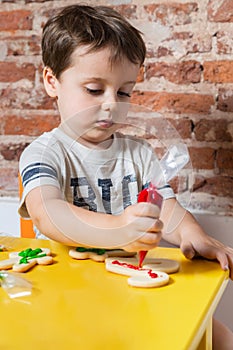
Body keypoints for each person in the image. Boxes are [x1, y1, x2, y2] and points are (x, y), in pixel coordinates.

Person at [18, 4, 233, 348]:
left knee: (217, 336)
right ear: (51, 82)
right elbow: (48, 214)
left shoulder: (139, 154)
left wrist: (194, 235)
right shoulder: (45, 153)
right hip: (65, 296)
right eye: (93, 89)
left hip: (131, 288)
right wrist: (117, 227)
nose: (110, 104)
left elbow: (167, 210)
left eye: (123, 92)